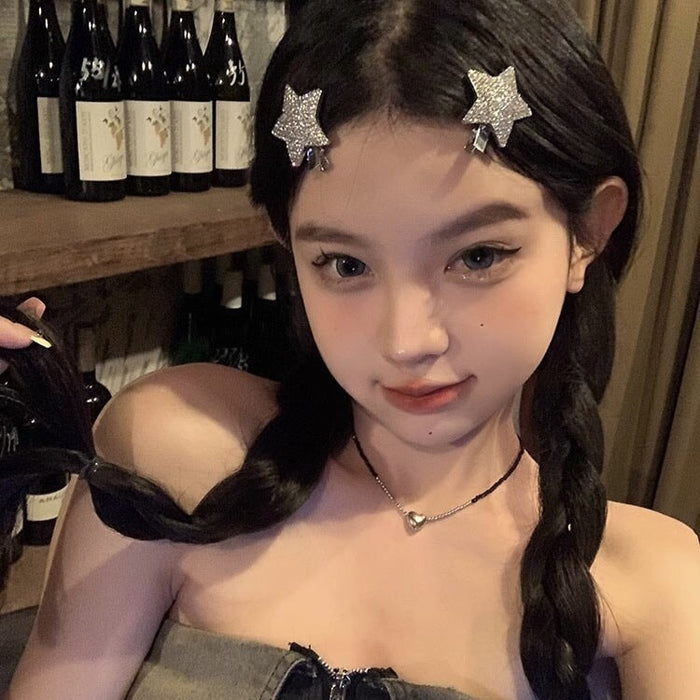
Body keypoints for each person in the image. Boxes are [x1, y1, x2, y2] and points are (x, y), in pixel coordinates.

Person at [4, 0, 700, 697]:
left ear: (587, 234)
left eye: (479, 256)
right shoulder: (175, 449)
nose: (406, 342)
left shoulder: (650, 588)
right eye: (345, 264)